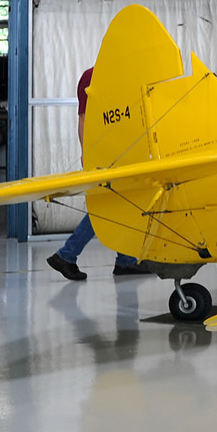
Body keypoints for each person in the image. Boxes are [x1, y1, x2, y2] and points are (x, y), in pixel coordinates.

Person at [47, 66, 146, 281]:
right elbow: (83, 117)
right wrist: (87, 154)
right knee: (107, 206)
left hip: (116, 151)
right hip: (104, 154)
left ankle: (124, 259)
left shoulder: (120, 74)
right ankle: (67, 255)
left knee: (121, 202)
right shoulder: (92, 76)